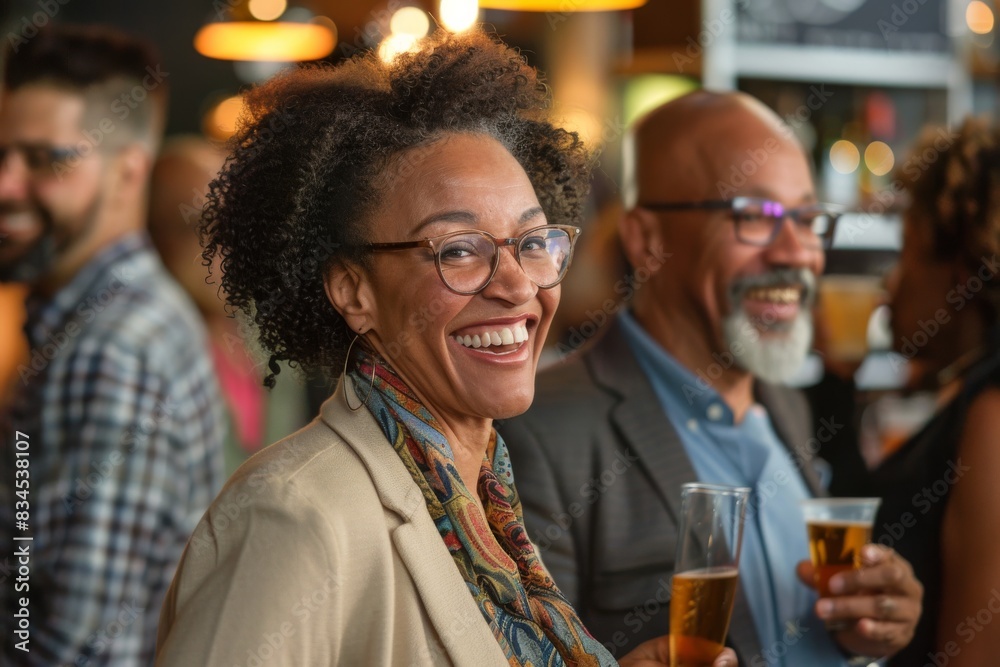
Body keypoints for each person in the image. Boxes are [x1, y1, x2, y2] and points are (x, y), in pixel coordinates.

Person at [155, 30, 736, 667]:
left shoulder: (478, 496)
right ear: (354, 290)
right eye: (458, 250)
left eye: (533, 241)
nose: (517, 285)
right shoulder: (292, 517)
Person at [498, 91, 923, 666]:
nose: (797, 254)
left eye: (807, 218)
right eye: (755, 216)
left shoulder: (786, 408)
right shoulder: (538, 432)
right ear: (648, 240)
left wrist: (866, 628)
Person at [0, 25, 225, 666]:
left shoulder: (113, 353)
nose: (6, 187)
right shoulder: (97, 320)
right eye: (1, 156)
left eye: (46, 161)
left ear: (129, 171)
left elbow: (80, 655)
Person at [868, 117, 1000, 666]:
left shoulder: (993, 408)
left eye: (905, 252)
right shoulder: (968, 388)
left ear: (957, 265)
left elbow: (973, 650)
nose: (889, 285)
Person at [148, 136, 309, 475]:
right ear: (154, 236)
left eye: (236, 223)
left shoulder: (270, 333)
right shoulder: (148, 355)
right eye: (203, 226)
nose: (225, 246)